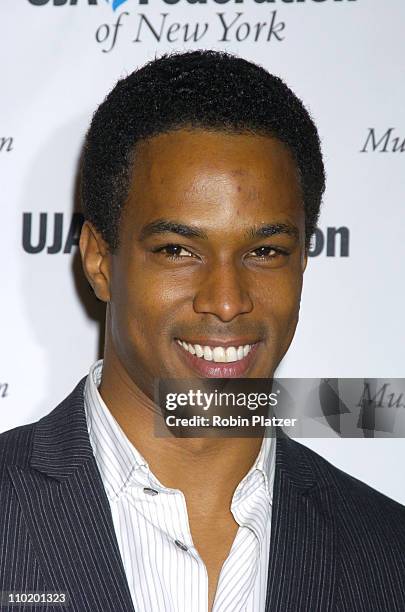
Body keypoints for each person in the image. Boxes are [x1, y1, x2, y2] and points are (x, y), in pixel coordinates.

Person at [0, 49, 404, 612]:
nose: (226, 300)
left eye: (265, 251)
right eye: (177, 250)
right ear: (99, 261)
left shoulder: (388, 554)